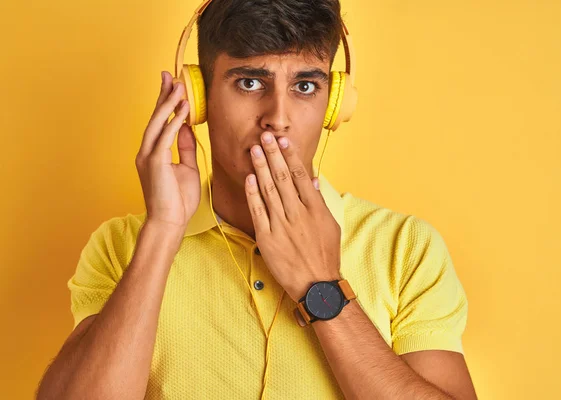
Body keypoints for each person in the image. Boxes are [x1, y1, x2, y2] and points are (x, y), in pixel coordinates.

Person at [36, 0, 478, 399]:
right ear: (199, 97)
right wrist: (163, 231)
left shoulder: (407, 248)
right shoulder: (121, 246)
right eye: (249, 82)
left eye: (305, 87)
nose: (278, 119)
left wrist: (320, 286)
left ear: (333, 104)